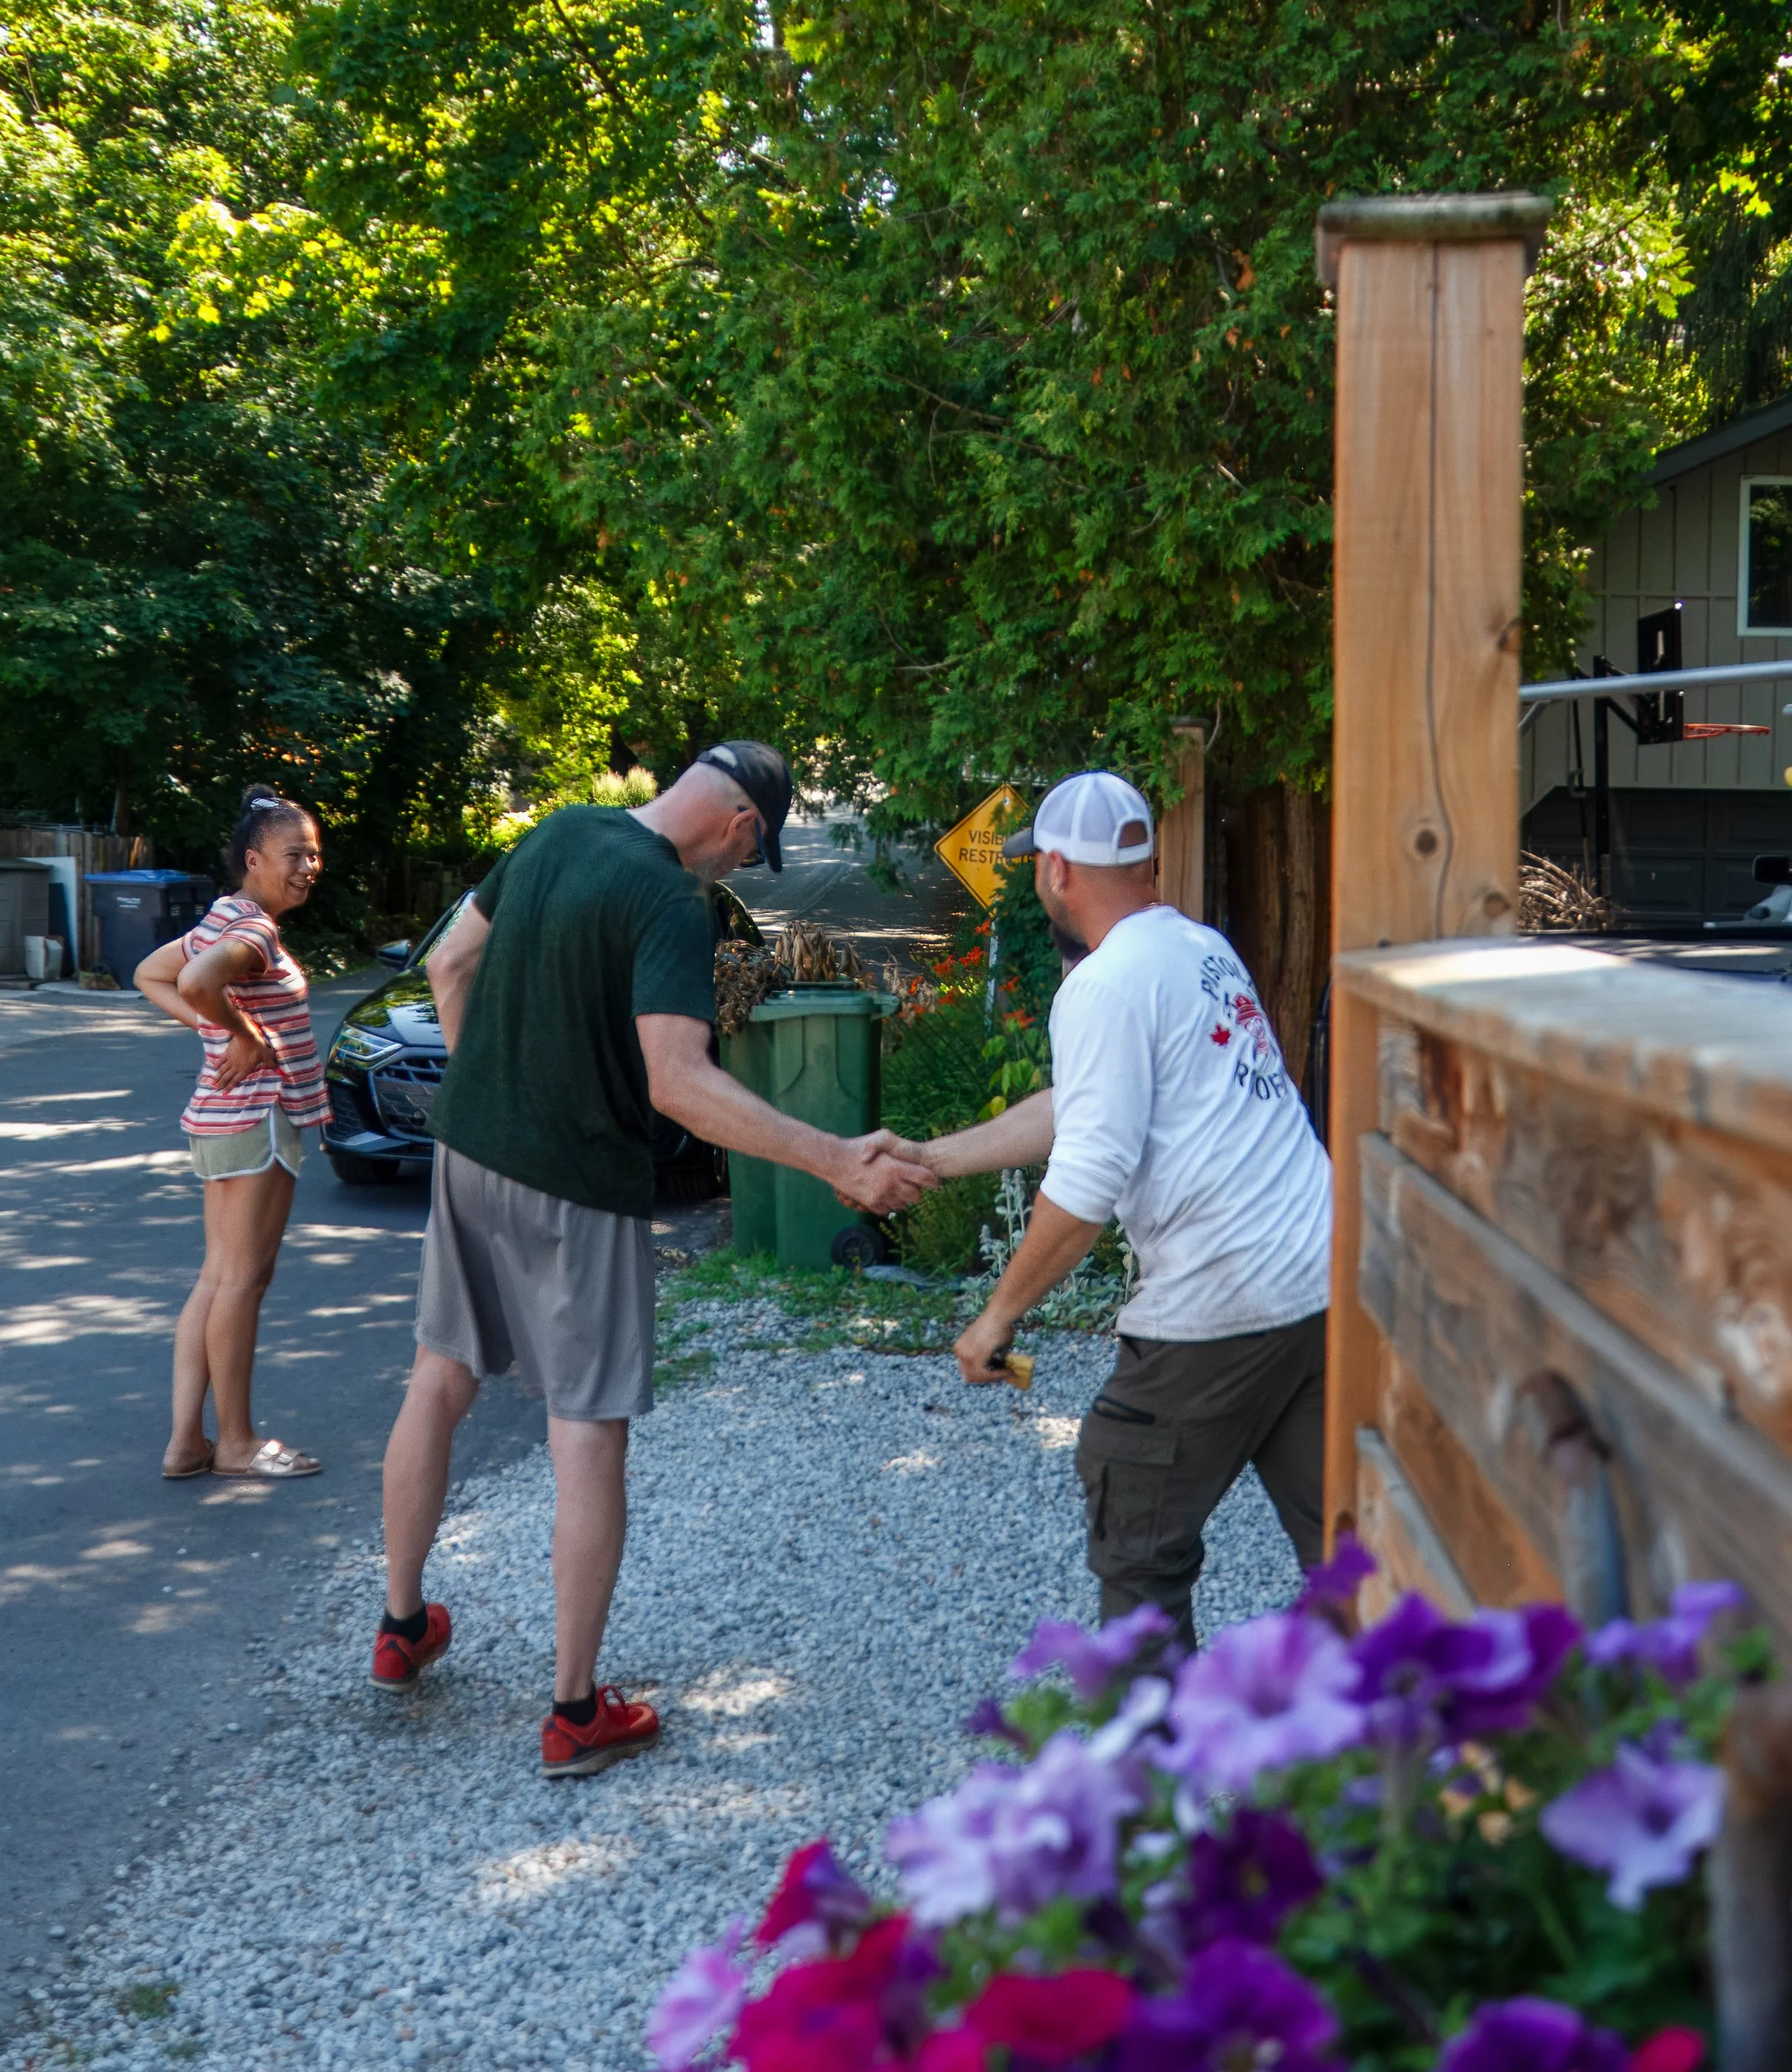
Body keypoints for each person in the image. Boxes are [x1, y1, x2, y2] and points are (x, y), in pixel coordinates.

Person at [373, 741, 934, 1775]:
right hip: (580, 1187)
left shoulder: (555, 830)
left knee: (437, 1376)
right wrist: (832, 1159)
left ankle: (401, 1627)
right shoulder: (671, 900)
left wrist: (495, 1093)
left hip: (468, 1149)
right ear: (739, 825)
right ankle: (574, 1709)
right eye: (745, 857)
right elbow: (675, 1081)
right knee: (586, 1432)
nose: (732, 874)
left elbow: (450, 962)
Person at [912, 769, 1332, 1646]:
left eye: (1037, 865)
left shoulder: (1103, 985)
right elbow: (1088, 1103)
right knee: (1349, 1552)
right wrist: (929, 1159)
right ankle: (1410, 1742)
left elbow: (1087, 1180)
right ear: (1144, 859)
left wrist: (995, 1317)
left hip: (1219, 1301)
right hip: (1317, 1284)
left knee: (1135, 1532)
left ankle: (1149, 1772)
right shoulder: (1197, 948)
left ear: (1056, 870)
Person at [135, 787, 329, 1482]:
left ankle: (188, 1443)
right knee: (243, 1281)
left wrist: (219, 1030)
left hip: (220, 1122)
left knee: (218, 1278)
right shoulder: (255, 932)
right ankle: (238, 1443)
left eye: (314, 854)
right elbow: (191, 982)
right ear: (253, 859)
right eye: (294, 854)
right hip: (258, 1120)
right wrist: (244, 1035)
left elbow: (150, 973)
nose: (309, 866)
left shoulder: (223, 915)